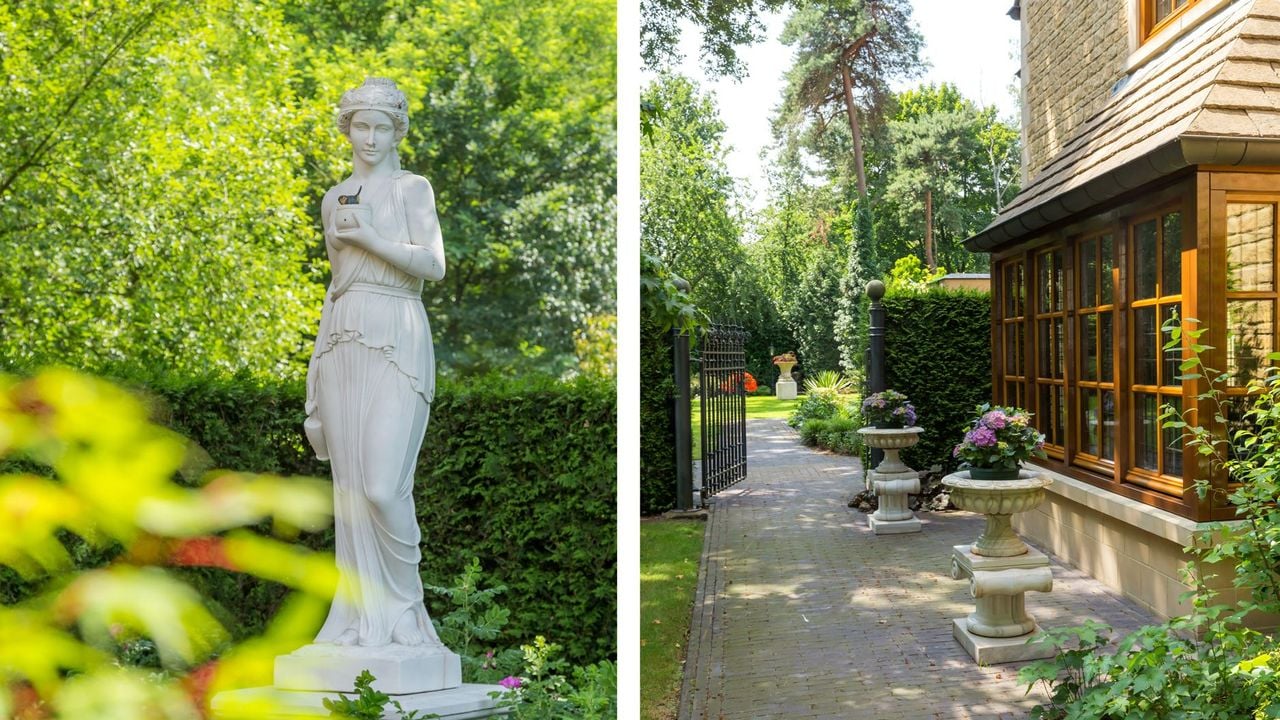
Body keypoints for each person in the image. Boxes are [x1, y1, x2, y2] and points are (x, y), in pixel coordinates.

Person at [304, 77, 446, 648]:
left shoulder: (413, 189)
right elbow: (334, 289)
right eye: (360, 125)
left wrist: (367, 237)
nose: (369, 137)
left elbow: (432, 265)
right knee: (351, 487)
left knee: (384, 486)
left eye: (380, 126)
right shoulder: (333, 197)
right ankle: (358, 617)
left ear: (397, 131)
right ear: (347, 128)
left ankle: (407, 611)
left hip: (398, 328)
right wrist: (313, 383)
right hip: (342, 339)